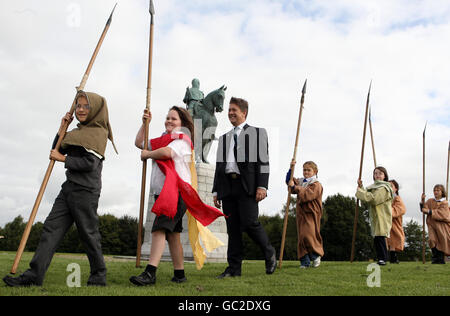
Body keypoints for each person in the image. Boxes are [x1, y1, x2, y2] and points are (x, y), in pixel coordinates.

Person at [3, 91, 117, 287]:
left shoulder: (98, 133)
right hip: (68, 188)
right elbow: (57, 148)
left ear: (95, 109)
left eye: (85, 106)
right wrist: (62, 128)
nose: (80, 110)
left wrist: (62, 159)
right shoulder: (76, 132)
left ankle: (98, 276)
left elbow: (89, 164)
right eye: (78, 105)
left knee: (88, 234)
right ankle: (34, 276)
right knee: (50, 229)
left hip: (86, 191)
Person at [130, 106, 224, 286]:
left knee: (159, 229)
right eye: (167, 118)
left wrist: (148, 154)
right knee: (173, 235)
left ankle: (150, 273)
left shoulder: (183, 140)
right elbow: (139, 143)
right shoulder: (163, 139)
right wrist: (145, 124)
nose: (169, 121)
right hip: (163, 194)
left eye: (173, 119)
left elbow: (167, 153)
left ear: (182, 123)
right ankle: (179, 274)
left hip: (175, 194)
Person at [212, 97, 276, 278]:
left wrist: (262, 185)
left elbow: (264, 161)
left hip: (247, 185)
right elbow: (219, 167)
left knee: (249, 223)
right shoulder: (224, 138)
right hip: (227, 187)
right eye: (229, 110)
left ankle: (269, 251)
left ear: (244, 112)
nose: (230, 113)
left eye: (234, 110)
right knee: (232, 229)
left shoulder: (257, 133)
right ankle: (233, 269)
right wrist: (216, 191)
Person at [286, 161, 324, 269]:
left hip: (312, 213)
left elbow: (307, 195)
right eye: (304, 170)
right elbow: (290, 182)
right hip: (301, 214)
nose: (306, 172)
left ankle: (315, 255)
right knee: (301, 237)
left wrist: (295, 187)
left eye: (308, 170)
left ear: (314, 172)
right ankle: (304, 261)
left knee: (308, 235)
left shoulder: (316, 184)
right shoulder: (301, 181)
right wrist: (291, 168)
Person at [356, 166, 394, 266]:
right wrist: (361, 187)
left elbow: (374, 199)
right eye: (375, 173)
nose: (377, 175)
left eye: (380, 173)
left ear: (384, 176)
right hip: (375, 215)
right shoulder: (373, 187)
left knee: (381, 236)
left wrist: (360, 192)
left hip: (382, 215)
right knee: (377, 237)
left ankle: (383, 258)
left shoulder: (384, 188)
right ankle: (381, 257)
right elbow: (367, 195)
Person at [421, 184, 450, 264]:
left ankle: (440, 259)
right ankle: (435, 257)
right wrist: (422, 201)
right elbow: (424, 209)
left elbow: (444, 214)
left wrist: (430, 211)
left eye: (438, 190)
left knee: (441, 241)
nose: (436, 192)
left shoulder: (444, 203)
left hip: (442, 226)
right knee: (432, 240)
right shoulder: (430, 201)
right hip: (431, 224)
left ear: (442, 192)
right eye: (434, 190)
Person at [386, 180, 406, 264]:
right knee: (388, 239)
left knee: (395, 238)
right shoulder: (385, 197)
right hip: (386, 222)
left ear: (396, 189)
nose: (389, 188)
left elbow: (401, 209)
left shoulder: (397, 198)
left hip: (394, 221)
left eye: (391, 186)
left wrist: (389, 211)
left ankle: (393, 257)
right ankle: (389, 257)